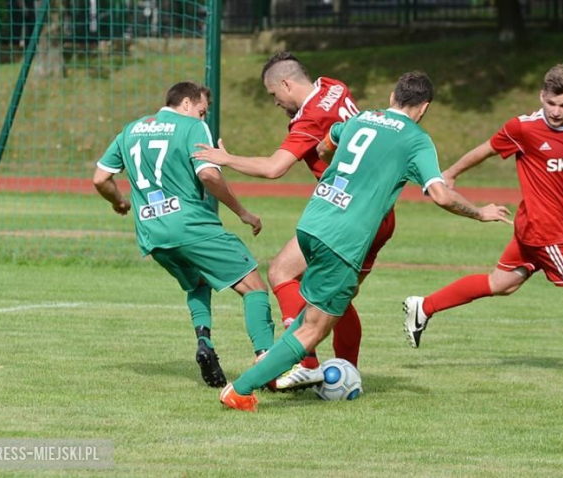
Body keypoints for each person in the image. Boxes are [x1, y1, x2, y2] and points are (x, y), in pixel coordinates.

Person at [219, 71, 513, 412]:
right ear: (424, 108)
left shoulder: (362, 119)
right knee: (313, 330)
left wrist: (345, 168)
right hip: (344, 238)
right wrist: (480, 212)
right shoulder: (416, 140)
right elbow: (441, 196)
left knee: (311, 315)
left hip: (314, 221)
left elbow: (325, 145)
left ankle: (275, 374)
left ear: (392, 97)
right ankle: (241, 390)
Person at [402, 64, 563, 375]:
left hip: (543, 227)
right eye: (550, 103)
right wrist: (450, 174)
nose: (556, 111)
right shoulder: (523, 128)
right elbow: (486, 150)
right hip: (545, 232)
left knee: (501, 284)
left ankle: (423, 307)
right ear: (541, 96)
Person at [193, 52, 386, 390]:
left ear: (286, 83)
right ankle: (345, 372)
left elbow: (273, 168)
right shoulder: (334, 87)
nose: (275, 103)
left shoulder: (310, 118)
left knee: (283, 272)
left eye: (273, 95)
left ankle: (306, 362)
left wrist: (226, 158)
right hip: (375, 210)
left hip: (348, 213)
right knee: (337, 298)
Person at [93, 81, 275, 389]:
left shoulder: (130, 130)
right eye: (202, 111)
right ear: (187, 103)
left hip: (152, 234)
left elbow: (101, 179)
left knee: (197, 283)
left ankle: (204, 343)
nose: (203, 119)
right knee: (254, 286)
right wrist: (242, 212)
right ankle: (267, 362)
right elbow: (207, 174)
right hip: (190, 225)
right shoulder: (192, 128)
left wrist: (120, 202)